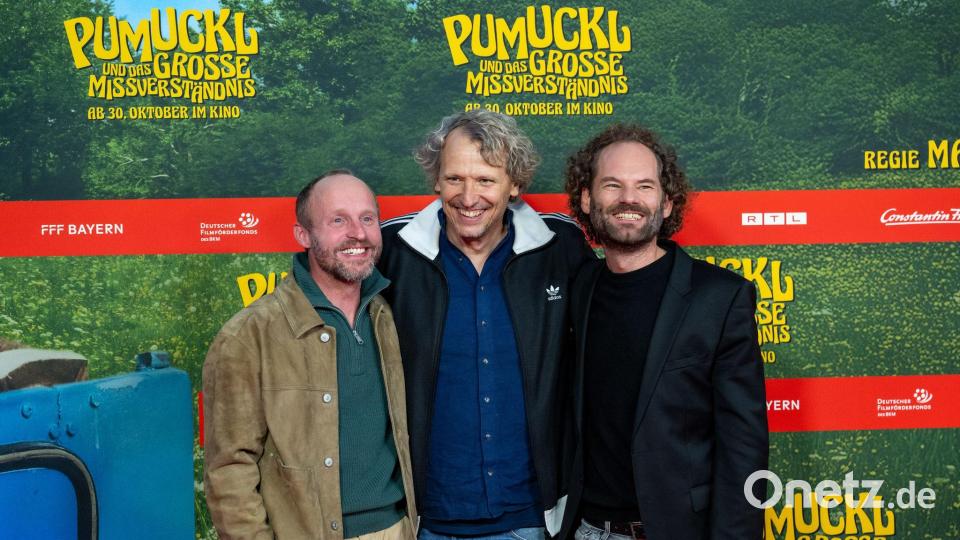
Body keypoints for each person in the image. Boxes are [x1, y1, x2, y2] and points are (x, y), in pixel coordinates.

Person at [378, 110, 595, 539]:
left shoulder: (560, 245)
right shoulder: (392, 250)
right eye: (455, 178)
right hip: (422, 520)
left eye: (485, 180)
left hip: (530, 519)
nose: (468, 195)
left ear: (514, 186)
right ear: (436, 180)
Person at [559, 125, 768, 540]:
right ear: (586, 197)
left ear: (667, 203)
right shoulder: (580, 288)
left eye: (645, 186)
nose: (629, 199)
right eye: (612, 185)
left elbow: (744, 449)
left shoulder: (720, 299)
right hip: (586, 529)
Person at [203, 171, 416, 540]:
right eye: (338, 220)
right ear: (303, 234)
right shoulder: (248, 335)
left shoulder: (388, 316)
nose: (358, 234)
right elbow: (229, 470)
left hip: (399, 529)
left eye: (367, 218)